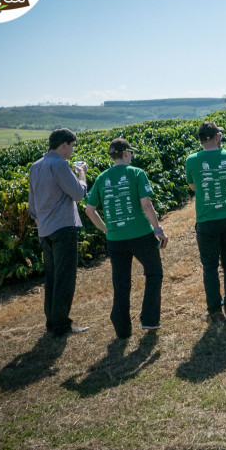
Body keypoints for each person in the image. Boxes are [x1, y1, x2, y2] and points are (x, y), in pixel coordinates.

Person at [85, 138, 169, 338]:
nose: (132, 155)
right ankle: (149, 320)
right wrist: (158, 230)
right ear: (124, 153)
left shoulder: (102, 178)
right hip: (141, 234)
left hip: (115, 239)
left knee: (121, 282)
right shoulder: (137, 173)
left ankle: (122, 327)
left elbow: (89, 210)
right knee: (154, 273)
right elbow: (146, 205)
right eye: (130, 152)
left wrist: (107, 230)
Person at [28, 128, 90, 337]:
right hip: (63, 227)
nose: (72, 150)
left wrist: (42, 222)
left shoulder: (36, 166)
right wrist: (82, 174)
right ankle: (62, 325)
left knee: (52, 277)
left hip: (44, 229)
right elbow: (78, 194)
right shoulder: (60, 165)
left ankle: (52, 323)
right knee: (65, 277)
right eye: (72, 145)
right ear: (64, 144)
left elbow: (32, 207)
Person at [185, 122, 226, 324]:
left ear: (200, 139)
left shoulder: (191, 160)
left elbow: (193, 187)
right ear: (217, 136)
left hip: (207, 221)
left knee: (209, 266)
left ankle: (215, 311)